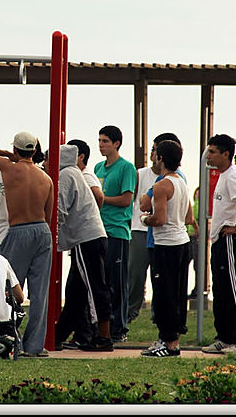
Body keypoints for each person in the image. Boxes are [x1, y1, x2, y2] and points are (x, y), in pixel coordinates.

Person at [0, 132, 53, 358]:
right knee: (39, 293)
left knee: (8, 288)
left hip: (19, 230)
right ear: (36, 151)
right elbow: (48, 216)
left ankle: (8, 339)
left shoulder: (9, 167)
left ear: (17, 150)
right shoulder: (46, 178)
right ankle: (34, 346)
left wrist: (8, 155)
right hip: (42, 231)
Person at [53, 143, 113, 352]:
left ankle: (104, 337)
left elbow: (58, 211)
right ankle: (58, 336)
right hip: (92, 237)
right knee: (75, 293)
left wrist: (52, 235)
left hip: (85, 239)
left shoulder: (65, 176)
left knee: (94, 289)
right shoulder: (75, 172)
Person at [201, 133, 236, 355]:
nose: (209, 156)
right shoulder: (222, 175)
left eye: (213, 152)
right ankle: (224, 338)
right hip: (219, 241)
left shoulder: (234, 175)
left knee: (233, 291)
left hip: (231, 240)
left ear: (226, 154)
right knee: (221, 291)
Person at [139, 139, 191, 357]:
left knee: (163, 295)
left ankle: (168, 343)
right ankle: (173, 339)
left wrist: (144, 220)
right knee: (178, 294)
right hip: (182, 242)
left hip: (166, 245)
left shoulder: (162, 185)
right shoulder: (182, 182)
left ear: (161, 158)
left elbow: (158, 219)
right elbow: (188, 216)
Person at [93, 125, 138, 343]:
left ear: (116, 143)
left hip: (118, 231)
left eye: (105, 141)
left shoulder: (126, 168)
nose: (101, 145)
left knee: (117, 282)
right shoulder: (98, 168)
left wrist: (101, 199)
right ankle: (102, 326)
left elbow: (126, 199)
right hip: (99, 230)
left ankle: (119, 328)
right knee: (101, 282)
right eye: (100, 141)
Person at [128, 143, 159, 323]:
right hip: (139, 229)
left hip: (160, 231)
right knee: (136, 275)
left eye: (156, 150)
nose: (152, 154)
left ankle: (157, 314)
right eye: (152, 149)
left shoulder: (176, 177)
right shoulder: (140, 173)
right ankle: (130, 311)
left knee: (159, 275)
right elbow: (131, 200)